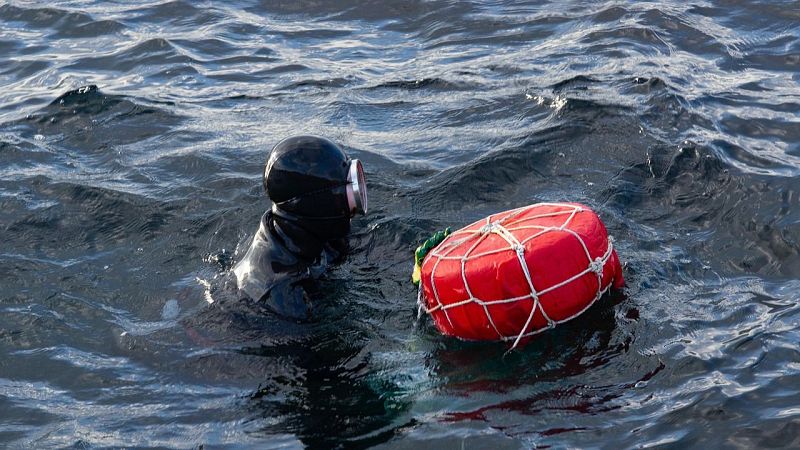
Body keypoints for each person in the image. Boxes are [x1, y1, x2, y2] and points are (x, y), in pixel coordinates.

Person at [231, 135, 367, 319]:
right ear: (317, 204)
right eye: (345, 194)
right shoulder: (283, 294)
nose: (353, 206)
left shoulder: (310, 230)